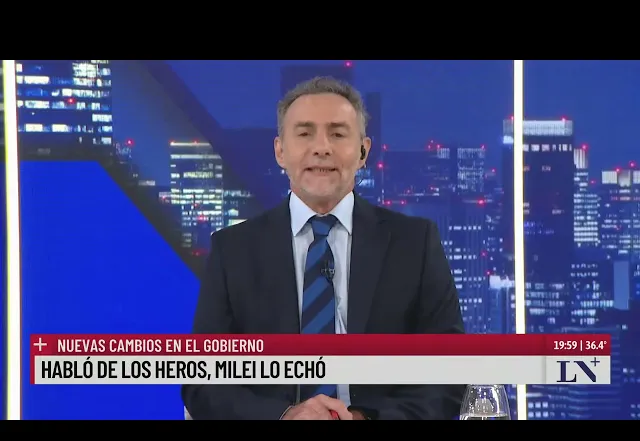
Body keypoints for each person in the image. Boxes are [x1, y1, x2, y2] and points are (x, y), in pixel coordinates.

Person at [182, 76, 466, 420]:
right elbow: (203, 382)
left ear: (363, 152)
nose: (322, 147)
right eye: (304, 133)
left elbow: (448, 372)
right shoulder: (233, 250)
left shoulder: (414, 243)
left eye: (338, 133)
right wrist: (285, 416)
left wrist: (363, 419)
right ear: (280, 151)